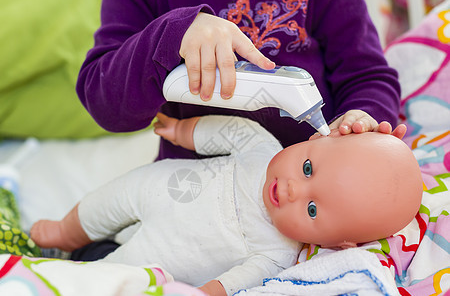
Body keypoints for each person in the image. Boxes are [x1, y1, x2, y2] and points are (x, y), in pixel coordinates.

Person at [30, 114, 423, 296]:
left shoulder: (275, 255)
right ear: (317, 140)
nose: (289, 190)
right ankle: (64, 233)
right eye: (307, 168)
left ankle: (56, 274)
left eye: (313, 210)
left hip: (158, 253)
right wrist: (183, 131)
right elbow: (234, 132)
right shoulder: (264, 148)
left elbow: (230, 285)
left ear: (336, 244)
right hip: (149, 187)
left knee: (108, 277)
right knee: (103, 204)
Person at [75, 0, 403, 161]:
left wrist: (361, 118)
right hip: (192, 194)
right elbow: (103, 100)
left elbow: (367, 75)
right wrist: (173, 34)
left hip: (308, 195)